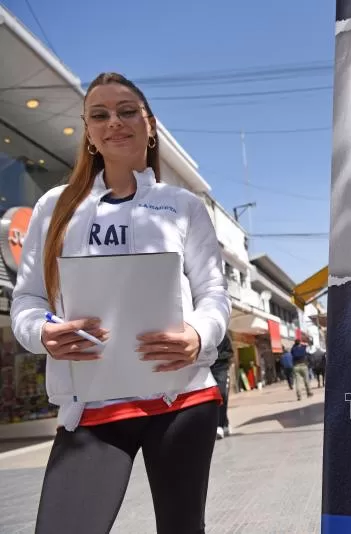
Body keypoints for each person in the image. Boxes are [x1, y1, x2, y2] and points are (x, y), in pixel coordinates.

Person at [10, 72, 231, 534]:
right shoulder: (56, 207)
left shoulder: (184, 205)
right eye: (100, 114)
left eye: (127, 110)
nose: (115, 122)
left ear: (150, 124)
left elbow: (212, 292)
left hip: (182, 398)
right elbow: (28, 297)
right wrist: (42, 333)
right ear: (88, 131)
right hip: (91, 405)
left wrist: (197, 335)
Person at [211, 333, 234, 439]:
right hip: (208, 369)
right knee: (212, 398)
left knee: (222, 394)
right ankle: (222, 423)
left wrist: (217, 357)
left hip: (221, 368)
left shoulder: (224, 336)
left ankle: (220, 425)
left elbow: (230, 353)